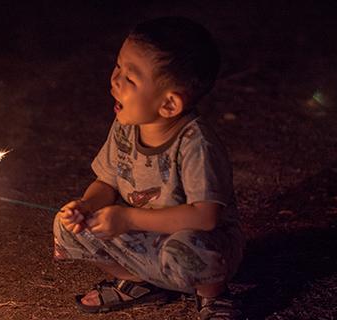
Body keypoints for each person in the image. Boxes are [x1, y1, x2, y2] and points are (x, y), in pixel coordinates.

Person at [53, 16, 245, 320]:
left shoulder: (196, 144)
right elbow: (107, 182)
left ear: (169, 104)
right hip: (145, 240)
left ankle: (214, 297)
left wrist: (128, 217)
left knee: (189, 246)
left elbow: (205, 217)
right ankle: (138, 284)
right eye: (118, 67)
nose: (114, 80)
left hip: (204, 247)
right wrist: (86, 205)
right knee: (69, 227)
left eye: (130, 79)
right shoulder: (124, 128)